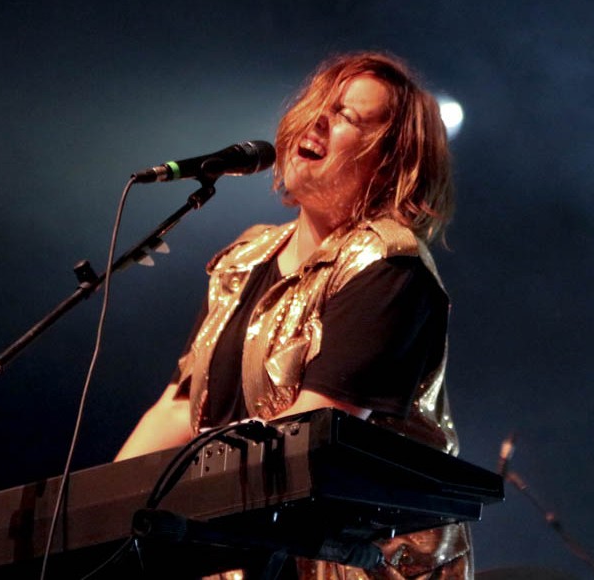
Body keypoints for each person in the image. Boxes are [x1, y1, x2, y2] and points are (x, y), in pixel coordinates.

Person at [116, 51, 471, 579]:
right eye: (318, 105)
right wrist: (98, 516)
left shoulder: (388, 265)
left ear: (388, 164)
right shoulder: (246, 258)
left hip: (350, 565)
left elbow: (310, 434)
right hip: (240, 547)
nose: (320, 120)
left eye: (348, 116)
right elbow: (180, 407)